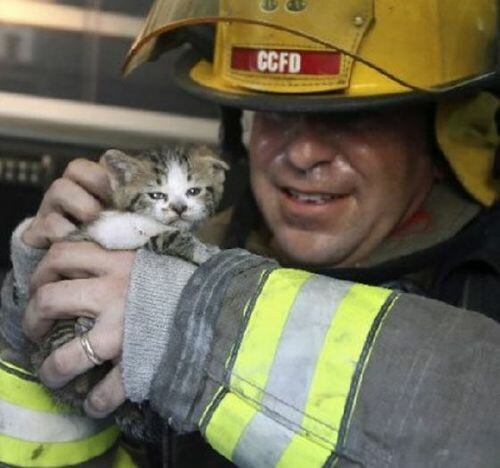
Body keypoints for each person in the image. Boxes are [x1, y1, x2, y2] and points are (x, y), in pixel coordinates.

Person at [1, 0, 500, 466]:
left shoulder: (484, 283)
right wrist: (35, 320)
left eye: (352, 119)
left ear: (442, 137)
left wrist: (200, 323)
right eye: (277, 115)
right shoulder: (159, 262)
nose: (303, 155)